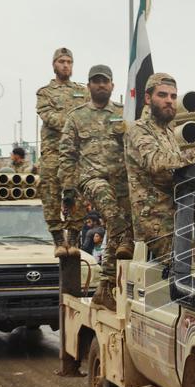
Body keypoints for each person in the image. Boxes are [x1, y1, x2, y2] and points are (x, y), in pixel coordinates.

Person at [124, 73, 195, 269]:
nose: (169, 101)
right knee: (188, 272)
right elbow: (156, 162)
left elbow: (174, 172)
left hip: (178, 215)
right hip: (155, 221)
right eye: (162, 95)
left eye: (173, 96)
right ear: (148, 99)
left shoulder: (168, 133)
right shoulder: (138, 130)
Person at [60, 65, 135, 311]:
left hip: (120, 180)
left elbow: (134, 146)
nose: (101, 85)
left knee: (125, 225)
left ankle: (105, 287)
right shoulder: (76, 117)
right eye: (96, 81)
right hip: (91, 178)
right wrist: (68, 189)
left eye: (105, 81)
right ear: (88, 86)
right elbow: (67, 156)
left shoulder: (124, 114)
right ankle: (107, 282)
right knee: (113, 216)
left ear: (112, 86)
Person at [36, 47, 89, 257]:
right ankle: (58, 238)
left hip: (76, 154)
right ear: (54, 65)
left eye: (69, 62)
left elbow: (89, 112)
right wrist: (74, 123)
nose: (66, 65)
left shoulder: (82, 91)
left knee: (78, 192)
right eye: (62, 62)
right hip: (53, 153)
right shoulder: (45, 92)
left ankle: (74, 236)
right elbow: (48, 115)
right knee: (50, 193)